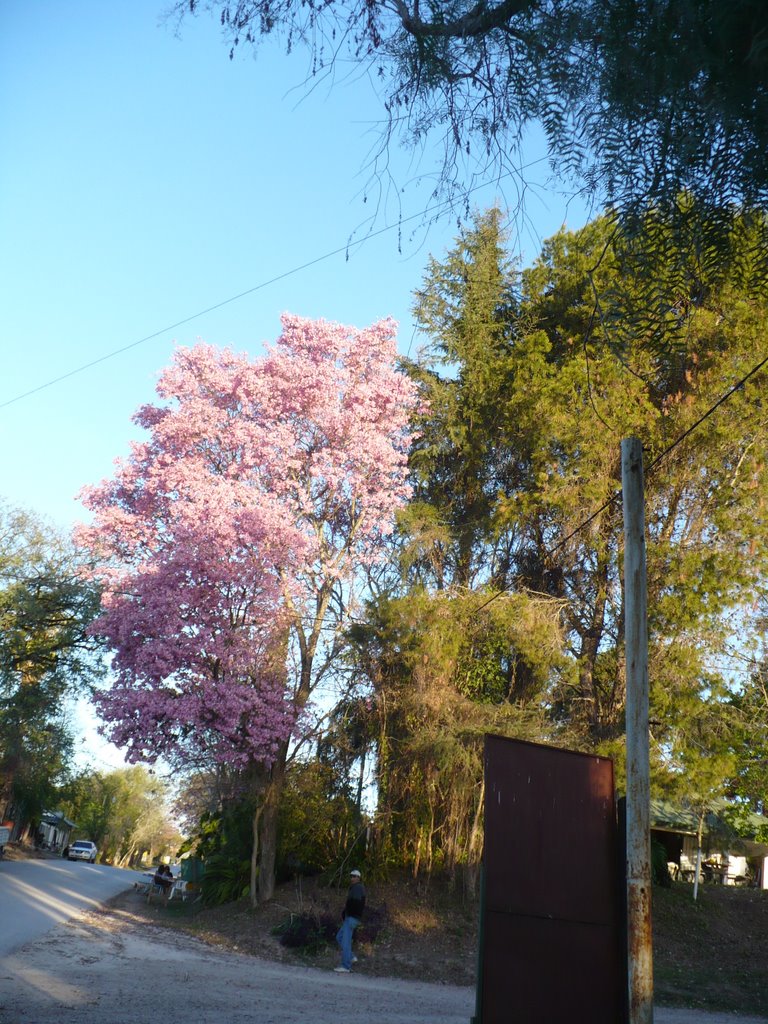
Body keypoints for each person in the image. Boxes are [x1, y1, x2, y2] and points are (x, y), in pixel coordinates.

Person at [334, 868, 366, 973]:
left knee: (345, 941)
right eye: (351, 876)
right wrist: (345, 912)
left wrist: (349, 913)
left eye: (354, 876)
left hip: (352, 918)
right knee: (339, 937)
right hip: (351, 917)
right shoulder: (355, 888)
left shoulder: (357, 888)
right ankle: (351, 957)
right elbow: (352, 903)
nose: (352, 878)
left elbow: (355, 903)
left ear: (358, 878)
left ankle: (345, 966)